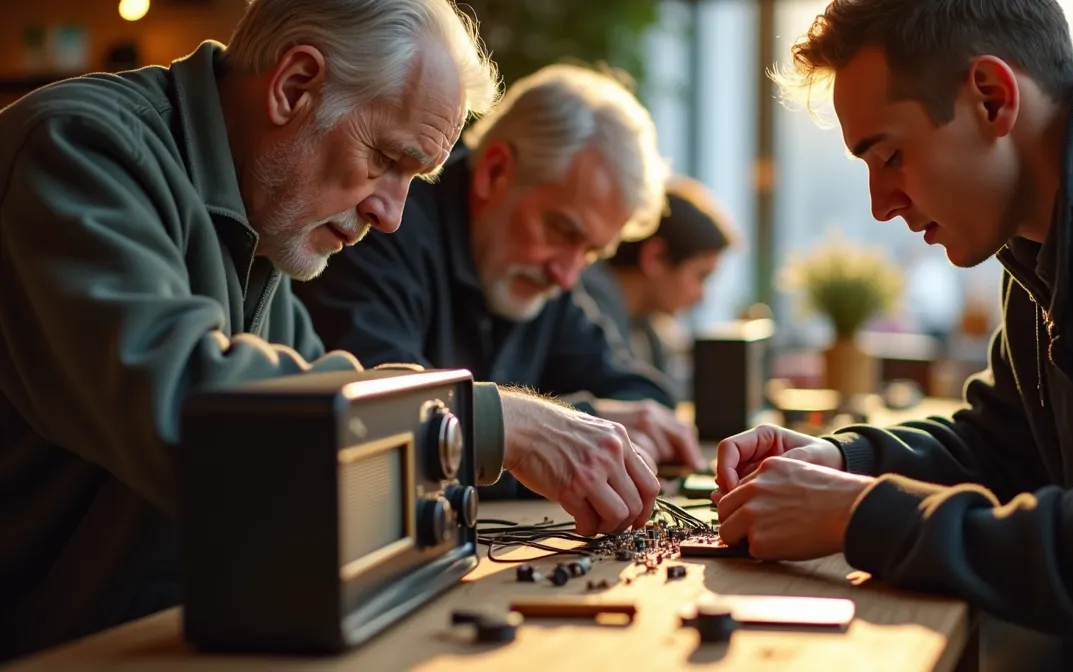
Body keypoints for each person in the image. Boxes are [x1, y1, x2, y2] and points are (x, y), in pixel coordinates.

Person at [0, 0, 658, 660]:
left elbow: (343, 439)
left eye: (415, 178)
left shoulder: (264, 225)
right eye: (386, 160)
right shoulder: (77, 150)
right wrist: (488, 423)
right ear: (293, 87)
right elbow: (196, 416)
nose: (393, 215)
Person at [712, 0, 1073, 669]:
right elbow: (1005, 447)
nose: (882, 204)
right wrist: (846, 463)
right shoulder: (1043, 234)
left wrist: (858, 514)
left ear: (992, 99)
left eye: (890, 156)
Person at [295, 64, 705, 473]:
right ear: (494, 172)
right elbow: (383, 425)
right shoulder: (383, 229)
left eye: (592, 252)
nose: (567, 275)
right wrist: (542, 433)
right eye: (562, 231)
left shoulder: (546, 280)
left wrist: (574, 425)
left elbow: (640, 398)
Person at [578, 174, 735, 381]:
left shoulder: (645, 328)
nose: (701, 296)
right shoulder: (587, 313)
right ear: (656, 257)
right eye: (701, 276)